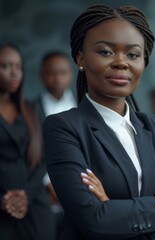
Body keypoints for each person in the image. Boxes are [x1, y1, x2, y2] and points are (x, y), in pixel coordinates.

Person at [43, 4, 155, 240]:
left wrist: (114, 213)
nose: (121, 62)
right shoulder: (64, 128)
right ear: (80, 57)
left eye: (133, 54)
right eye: (106, 52)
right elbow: (93, 220)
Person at [0, 43, 55, 240]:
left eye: (18, 67)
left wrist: (25, 194)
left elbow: (44, 158)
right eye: (6, 66)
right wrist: (2, 200)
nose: (14, 73)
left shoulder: (32, 110)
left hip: (34, 201)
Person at [31, 50, 77, 239]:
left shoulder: (83, 106)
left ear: (71, 74)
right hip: (43, 193)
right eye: (51, 72)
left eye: (63, 72)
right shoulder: (29, 110)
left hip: (80, 189)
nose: (57, 78)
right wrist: (48, 183)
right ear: (41, 75)